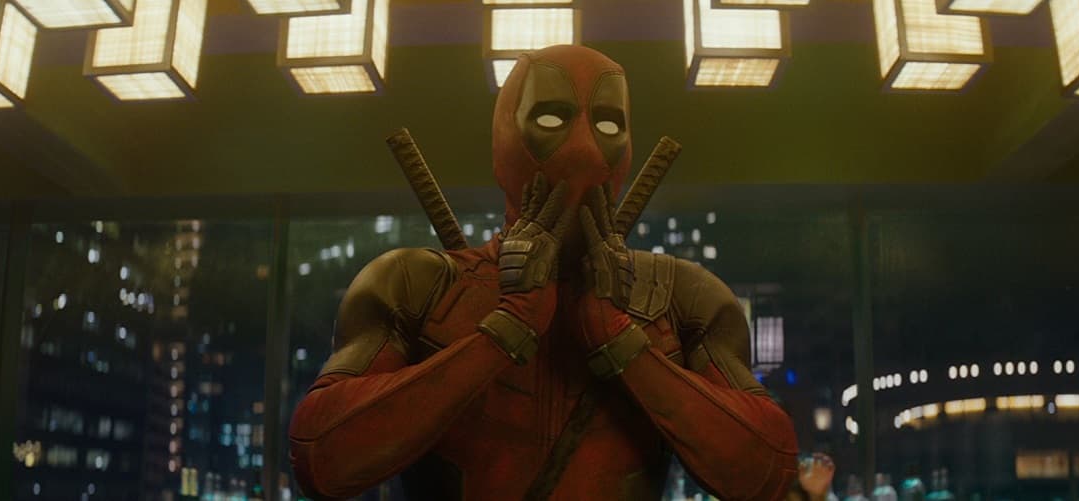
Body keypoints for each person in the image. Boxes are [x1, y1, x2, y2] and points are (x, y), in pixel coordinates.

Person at [287, 44, 799, 500]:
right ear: (507, 132)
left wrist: (622, 341)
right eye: (552, 118)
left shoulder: (680, 295)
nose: (584, 150)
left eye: (608, 124)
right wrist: (505, 329)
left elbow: (768, 469)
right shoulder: (417, 285)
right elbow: (322, 458)